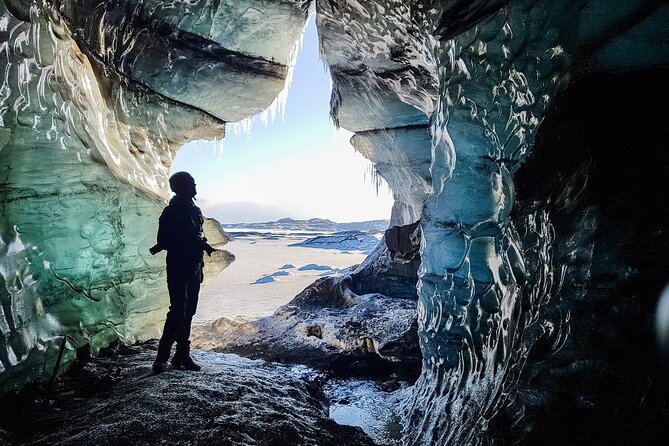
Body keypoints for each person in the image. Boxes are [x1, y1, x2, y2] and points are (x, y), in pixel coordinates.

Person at [149, 171, 214, 374]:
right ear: (182, 187)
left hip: (194, 266)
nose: (195, 187)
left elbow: (197, 234)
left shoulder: (195, 210)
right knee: (178, 311)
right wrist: (191, 243)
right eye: (192, 183)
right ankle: (161, 358)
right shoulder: (171, 212)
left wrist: (201, 245)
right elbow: (164, 240)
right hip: (179, 266)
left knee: (189, 311)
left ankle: (181, 355)